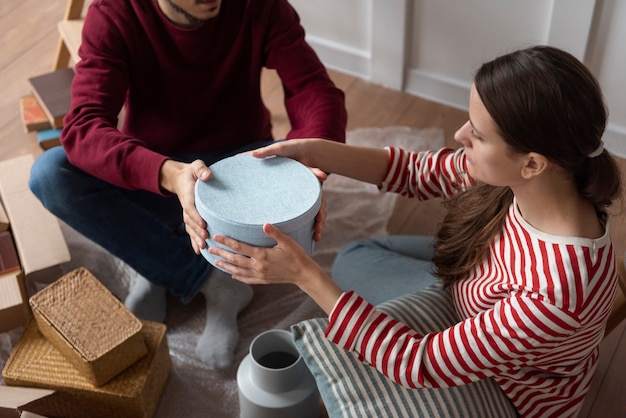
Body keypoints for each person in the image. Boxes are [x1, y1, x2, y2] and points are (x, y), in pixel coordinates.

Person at [207, 45, 622, 417]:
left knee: (349, 311)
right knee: (355, 258)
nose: (460, 135)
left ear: (532, 163)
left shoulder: (556, 294)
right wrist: (313, 150)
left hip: (507, 392)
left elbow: (417, 363)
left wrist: (302, 274)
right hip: (475, 293)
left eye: (476, 135)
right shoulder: (539, 181)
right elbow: (414, 171)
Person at [28, 0, 346, 370]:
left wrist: (307, 172)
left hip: (240, 166)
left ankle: (157, 260)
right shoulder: (114, 12)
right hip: (160, 168)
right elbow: (84, 126)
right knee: (51, 174)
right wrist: (169, 174)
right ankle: (201, 277)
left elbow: (314, 90)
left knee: (290, 166)